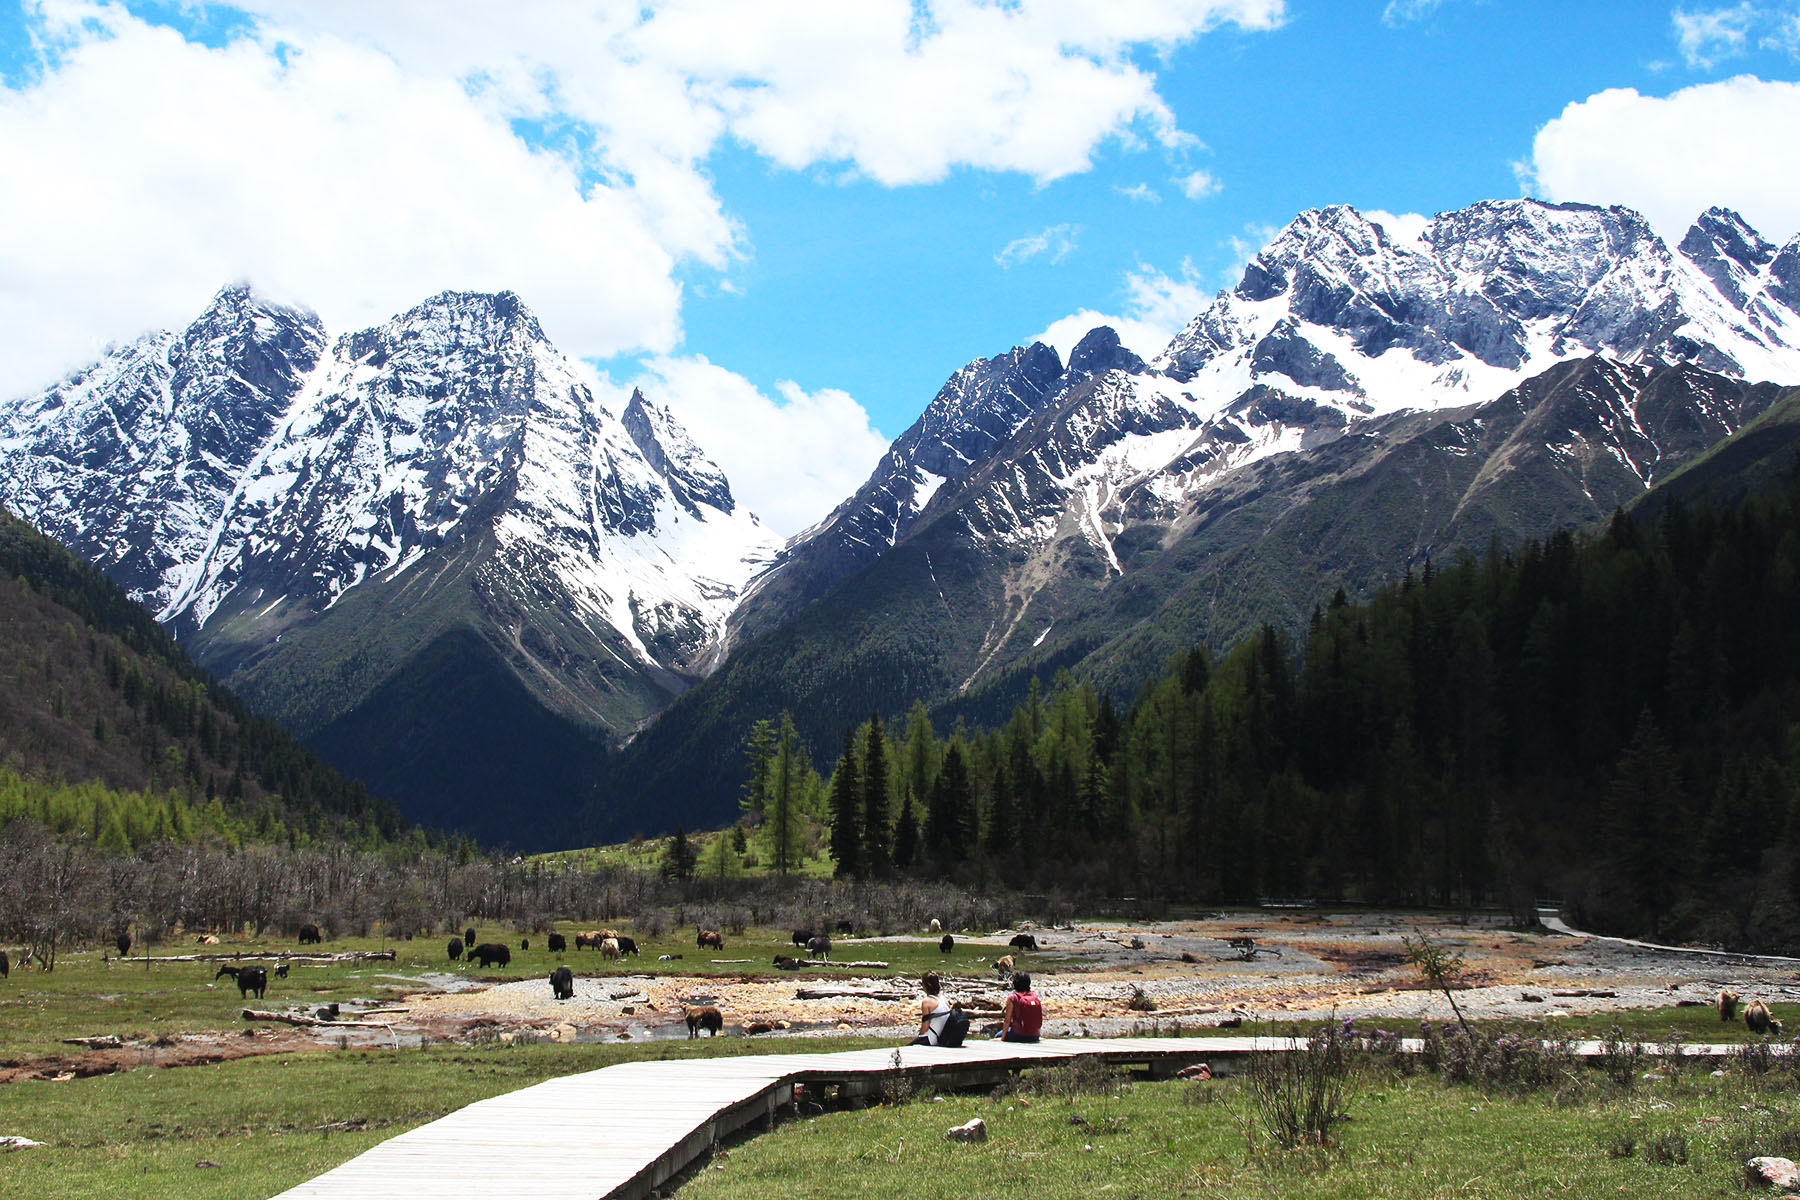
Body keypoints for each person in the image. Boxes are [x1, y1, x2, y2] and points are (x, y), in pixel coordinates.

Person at [997, 971, 1043, 1043]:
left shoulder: (1013, 998)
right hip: (1035, 1035)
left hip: (1018, 1035)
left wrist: (1002, 1038)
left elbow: (1007, 1021)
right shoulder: (1034, 996)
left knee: (997, 1035)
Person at [912, 971, 953, 1045]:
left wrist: (918, 1038)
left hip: (932, 1039)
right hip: (943, 1037)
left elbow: (925, 1028)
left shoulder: (926, 1002)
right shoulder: (944, 999)